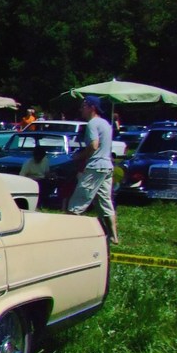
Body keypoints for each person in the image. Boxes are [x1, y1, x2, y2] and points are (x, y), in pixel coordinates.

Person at [67, 96, 120, 244]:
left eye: (83, 106)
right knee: (105, 203)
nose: (80, 109)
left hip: (95, 167)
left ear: (92, 107)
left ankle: (69, 236)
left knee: (76, 204)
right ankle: (113, 237)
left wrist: (79, 156)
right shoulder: (106, 123)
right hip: (107, 167)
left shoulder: (92, 123)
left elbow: (94, 145)